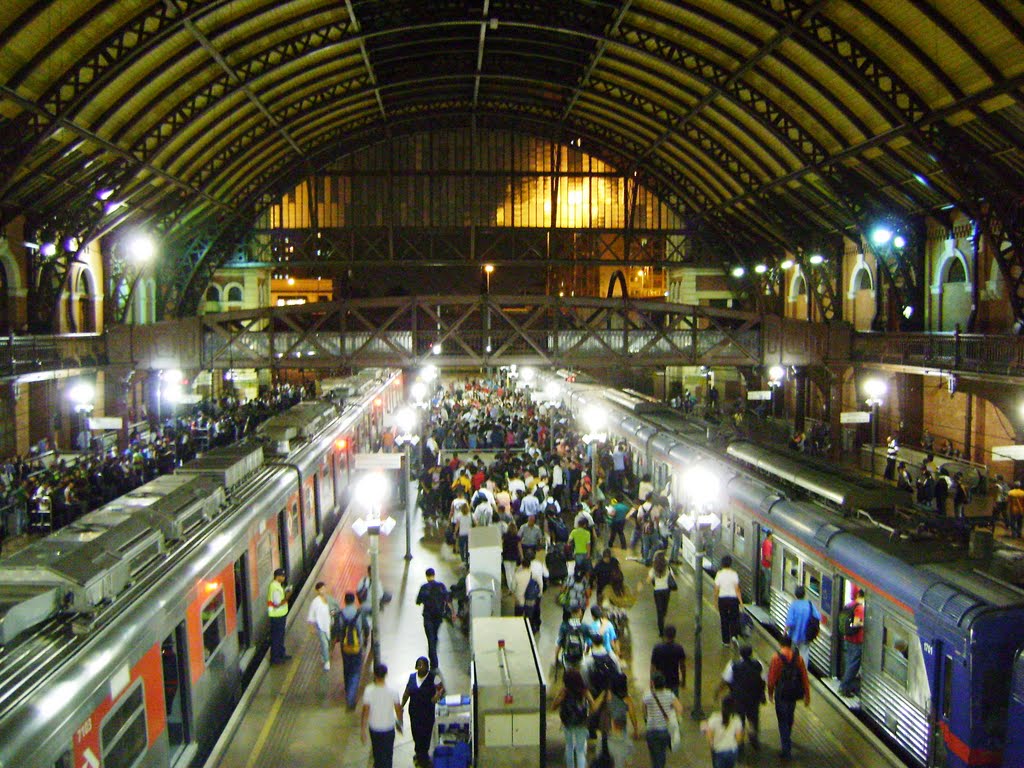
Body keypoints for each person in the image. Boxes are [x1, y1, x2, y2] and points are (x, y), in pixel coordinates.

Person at [767, 636, 811, 760]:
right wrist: (807, 696)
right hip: (794, 694)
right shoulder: (799, 658)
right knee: (790, 717)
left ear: (780, 644)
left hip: (781, 694)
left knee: (782, 721)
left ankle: (786, 751)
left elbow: (771, 680)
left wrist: (770, 694)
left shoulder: (776, 658)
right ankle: (788, 739)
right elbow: (804, 678)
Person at [719, 644, 765, 750]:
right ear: (751, 653)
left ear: (740, 654)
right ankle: (754, 737)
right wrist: (762, 695)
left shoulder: (733, 665)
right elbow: (763, 680)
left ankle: (740, 744)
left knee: (740, 720)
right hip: (754, 698)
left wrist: (718, 692)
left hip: (739, 698)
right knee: (753, 718)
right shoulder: (759, 664)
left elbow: (726, 681)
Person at [402, 657, 445, 767]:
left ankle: (423, 756)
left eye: (423, 665)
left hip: (427, 712)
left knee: (425, 734)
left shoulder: (433, 677)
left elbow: (441, 688)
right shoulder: (412, 677)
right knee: (416, 733)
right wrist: (401, 705)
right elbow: (407, 692)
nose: (421, 667)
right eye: (419, 665)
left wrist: (437, 696)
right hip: (414, 712)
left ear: (428, 666)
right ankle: (419, 753)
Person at [550, 668, 596, 768]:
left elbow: (553, 707)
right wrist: (588, 717)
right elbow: (594, 706)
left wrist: (559, 695)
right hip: (582, 723)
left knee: (569, 747)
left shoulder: (564, 692)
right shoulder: (584, 691)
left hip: (568, 723)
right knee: (580, 750)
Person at [361, 664, 403, 768]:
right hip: (388, 728)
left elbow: (365, 711)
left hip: (374, 728)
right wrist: (400, 723)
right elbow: (398, 710)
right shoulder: (393, 691)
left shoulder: (369, 690)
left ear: (374, 675)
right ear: (386, 674)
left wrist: (362, 730)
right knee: (388, 755)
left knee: (377, 754)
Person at [642, 672, 683, 768]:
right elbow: (680, 708)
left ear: (652, 683)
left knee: (654, 756)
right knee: (662, 755)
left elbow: (644, 711)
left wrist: (646, 719)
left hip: (651, 730)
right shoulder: (670, 695)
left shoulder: (647, 696)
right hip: (664, 730)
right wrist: (676, 718)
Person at [605, 670, 642, 767]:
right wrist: (636, 729)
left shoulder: (607, 696)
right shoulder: (626, 698)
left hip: (609, 727)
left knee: (610, 753)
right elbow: (632, 715)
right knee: (622, 753)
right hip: (621, 728)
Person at [415, 568, 449, 669]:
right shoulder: (441, 586)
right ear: (434, 575)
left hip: (428, 616)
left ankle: (434, 662)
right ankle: (433, 655)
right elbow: (447, 598)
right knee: (434, 636)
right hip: (438, 617)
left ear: (426, 576)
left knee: (430, 638)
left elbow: (418, 601)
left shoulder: (424, 587)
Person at [701, 696, 745, 768]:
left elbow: (709, 736)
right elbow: (739, 738)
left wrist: (712, 745)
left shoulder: (714, 718)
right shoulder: (737, 719)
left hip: (719, 750)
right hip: (732, 750)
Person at [338, 592, 364, 709]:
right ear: (354, 601)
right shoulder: (358, 613)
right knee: (355, 672)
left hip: (345, 646)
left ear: (344, 601)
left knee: (347, 669)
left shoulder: (341, 613)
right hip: (357, 646)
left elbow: (339, 629)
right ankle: (350, 699)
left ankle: (348, 690)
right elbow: (365, 628)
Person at [839, 590, 866, 697]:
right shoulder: (860, 608)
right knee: (853, 666)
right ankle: (844, 687)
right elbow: (856, 623)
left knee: (849, 662)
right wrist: (865, 622)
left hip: (848, 638)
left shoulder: (850, 604)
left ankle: (845, 685)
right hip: (856, 641)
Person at [785, 585, 820, 662]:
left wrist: (785, 632)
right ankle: (803, 671)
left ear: (795, 594)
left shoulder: (794, 605)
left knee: (793, 654)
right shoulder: (810, 604)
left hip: (794, 635)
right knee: (804, 654)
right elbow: (817, 617)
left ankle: (794, 670)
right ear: (804, 594)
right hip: (806, 635)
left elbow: (790, 622)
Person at [650, 625, 687, 697]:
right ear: (674, 635)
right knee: (674, 703)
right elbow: (682, 666)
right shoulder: (679, 648)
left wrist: (652, 681)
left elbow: (652, 667)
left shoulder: (657, 648)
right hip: (674, 681)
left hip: (659, 682)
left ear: (664, 634)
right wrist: (684, 680)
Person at [713, 555, 742, 646]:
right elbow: (737, 589)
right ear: (730, 564)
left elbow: (716, 589)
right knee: (734, 619)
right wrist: (741, 602)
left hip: (723, 599)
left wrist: (715, 601)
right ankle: (734, 636)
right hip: (733, 599)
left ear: (722, 564)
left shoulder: (719, 574)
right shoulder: (734, 574)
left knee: (724, 620)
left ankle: (725, 641)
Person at [646, 550, 674, 637]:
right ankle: (663, 615)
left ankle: (661, 631)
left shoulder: (653, 569)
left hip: (657, 591)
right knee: (664, 609)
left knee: (659, 611)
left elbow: (648, 581)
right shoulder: (668, 568)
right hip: (666, 591)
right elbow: (673, 578)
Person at [306, 581, 333, 671]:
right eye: (321, 589)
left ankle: (323, 655)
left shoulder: (329, 599)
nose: (323, 590)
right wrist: (311, 627)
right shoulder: (315, 602)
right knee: (324, 644)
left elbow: (334, 608)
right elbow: (311, 615)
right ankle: (327, 662)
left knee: (328, 642)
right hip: (320, 626)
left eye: (324, 588)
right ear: (317, 591)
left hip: (328, 625)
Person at [267, 567, 292, 664]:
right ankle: (275, 658)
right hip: (277, 616)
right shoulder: (275, 587)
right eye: (282, 576)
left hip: (279, 615)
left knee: (280, 636)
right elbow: (277, 603)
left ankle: (281, 653)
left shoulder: (276, 585)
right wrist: (287, 596)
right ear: (277, 577)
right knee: (277, 637)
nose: (284, 578)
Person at [502, 520, 523, 592]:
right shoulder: (517, 537)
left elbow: (501, 545)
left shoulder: (505, 536)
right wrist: (521, 556)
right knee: (513, 572)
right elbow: (519, 547)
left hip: (506, 556)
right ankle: (513, 587)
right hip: (514, 556)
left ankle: (510, 588)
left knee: (508, 573)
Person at [759, 532, 773, 606]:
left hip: (767, 566)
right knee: (767, 582)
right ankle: (766, 598)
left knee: (767, 582)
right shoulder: (767, 543)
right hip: (766, 567)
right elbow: (767, 557)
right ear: (770, 535)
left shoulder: (768, 543)